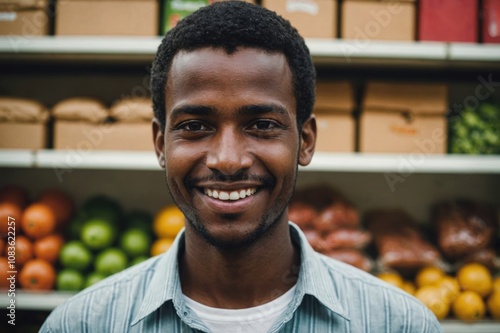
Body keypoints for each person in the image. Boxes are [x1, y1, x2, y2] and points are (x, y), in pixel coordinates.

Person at [40, 1, 443, 332]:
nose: (228, 160)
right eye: (195, 126)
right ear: (160, 145)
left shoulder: (398, 323)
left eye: (262, 125)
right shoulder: (83, 323)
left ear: (305, 141)